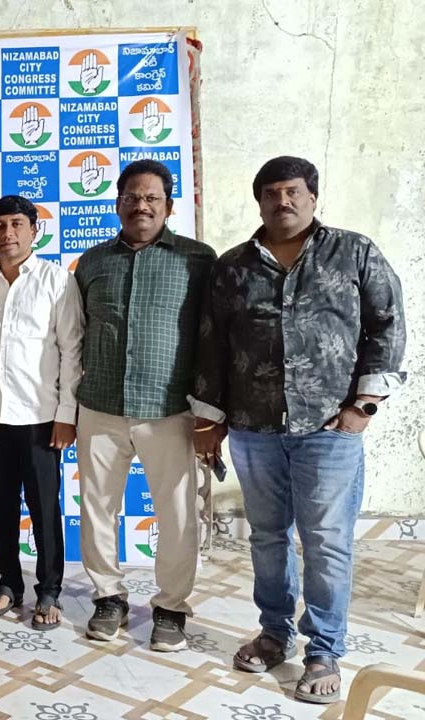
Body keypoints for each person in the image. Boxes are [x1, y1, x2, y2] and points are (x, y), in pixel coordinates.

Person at [192, 156, 406, 704]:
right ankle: (274, 633)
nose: (282, 201)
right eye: (271, 193)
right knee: (267, 535)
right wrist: (210, 418)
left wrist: (364, 406)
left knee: (326, 541)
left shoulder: (353, 252)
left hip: (329, 428)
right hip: (254, 426)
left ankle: (324, 650)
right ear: (259, 201)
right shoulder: (234, 266)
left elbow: (387, 325)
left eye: (292, 191)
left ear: (312, 196)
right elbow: (213, 343)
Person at [74, 159, 216, 651]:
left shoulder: (198, 260)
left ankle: (172, 606)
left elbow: (212, 337)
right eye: (132, 197)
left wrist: (210, 411)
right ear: (118, 203)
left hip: (170, 408)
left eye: (152, 198)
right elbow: (76, 333)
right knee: (97, 508)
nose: (141, 206)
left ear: (169, 206)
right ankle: (107, 595)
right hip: (100, 405)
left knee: (177, 514)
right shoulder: (93, 262)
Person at [0, 195, 83, 629]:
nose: (7, 233)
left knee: (44, 509)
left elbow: (72, 351)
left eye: (17, 225)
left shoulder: (56, 281)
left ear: (33, 230)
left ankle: (49, 591)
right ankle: (9, 583)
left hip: (41, 417)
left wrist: (67, 413)